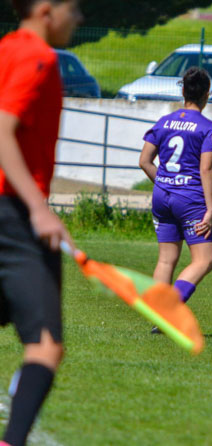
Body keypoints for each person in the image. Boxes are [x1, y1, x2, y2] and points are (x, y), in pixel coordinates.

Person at [0, 1, 82, 445]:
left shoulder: (4, 49)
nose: (79, 19)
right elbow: (2, 130)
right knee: (46, 345)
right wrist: (38, 208)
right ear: (48, 10)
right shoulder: (38, 57)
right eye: (74, 8)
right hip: (12, 215)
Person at [139, 67, 212, 332]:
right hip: (191, 200)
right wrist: (210, 209)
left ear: (183, 91)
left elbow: (144, 161)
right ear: (207, 94)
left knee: (166, 260)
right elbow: (205, 169)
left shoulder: (164, 122)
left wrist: (166, 184)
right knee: (204, 259)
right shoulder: (207, 128)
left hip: (162, 197)